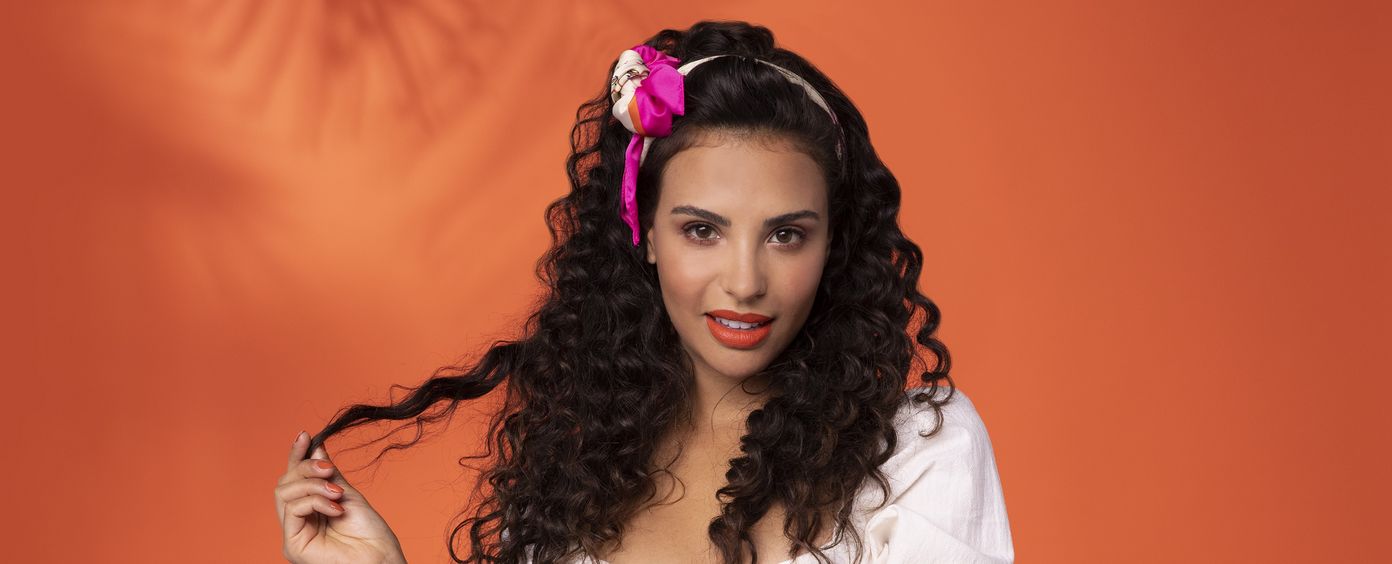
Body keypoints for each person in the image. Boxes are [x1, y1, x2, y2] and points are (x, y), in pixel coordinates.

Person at [274, 20, 1015, 564]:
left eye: (787, 234)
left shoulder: (917, 453)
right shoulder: (576, 473)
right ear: (646, 233)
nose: (745, 281)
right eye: (702, 230)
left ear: (832, 245)